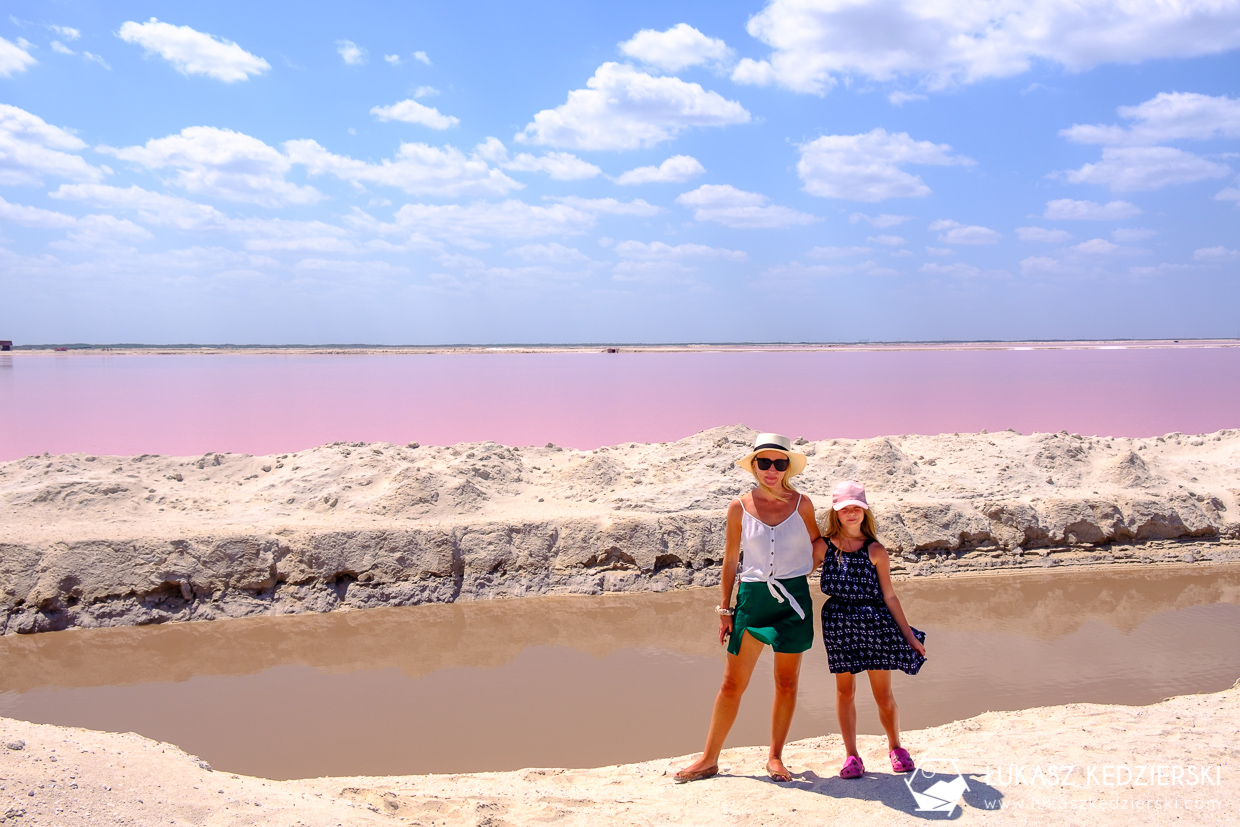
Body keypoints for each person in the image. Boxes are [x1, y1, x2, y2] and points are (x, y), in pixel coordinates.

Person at [674, 433, 827, 783]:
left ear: (788, 467)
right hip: (752, 599)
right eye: (764, 462)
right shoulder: (738, 507)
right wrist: (725, 609)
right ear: (754, 466)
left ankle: (775, 757)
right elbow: (730, 560)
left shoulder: (803, 503)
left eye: (780, 463)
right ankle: (709, 758)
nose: (772, 470)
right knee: (731, 684)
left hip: (793, 600)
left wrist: (814, 563)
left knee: (786, 683)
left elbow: (817, 541)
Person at [820, 479, 927, 779]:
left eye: (857, 508)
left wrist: (908, 635)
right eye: (845, 509)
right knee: (845, 692)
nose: (851, 514)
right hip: (838, 623)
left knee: (883, 694)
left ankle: (895, 747)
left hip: (874, 624)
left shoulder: (876, 550)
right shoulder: (823, 546)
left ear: (865, 512)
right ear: (835, 512)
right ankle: (852, 755)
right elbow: (795, 572)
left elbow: (889, 595)